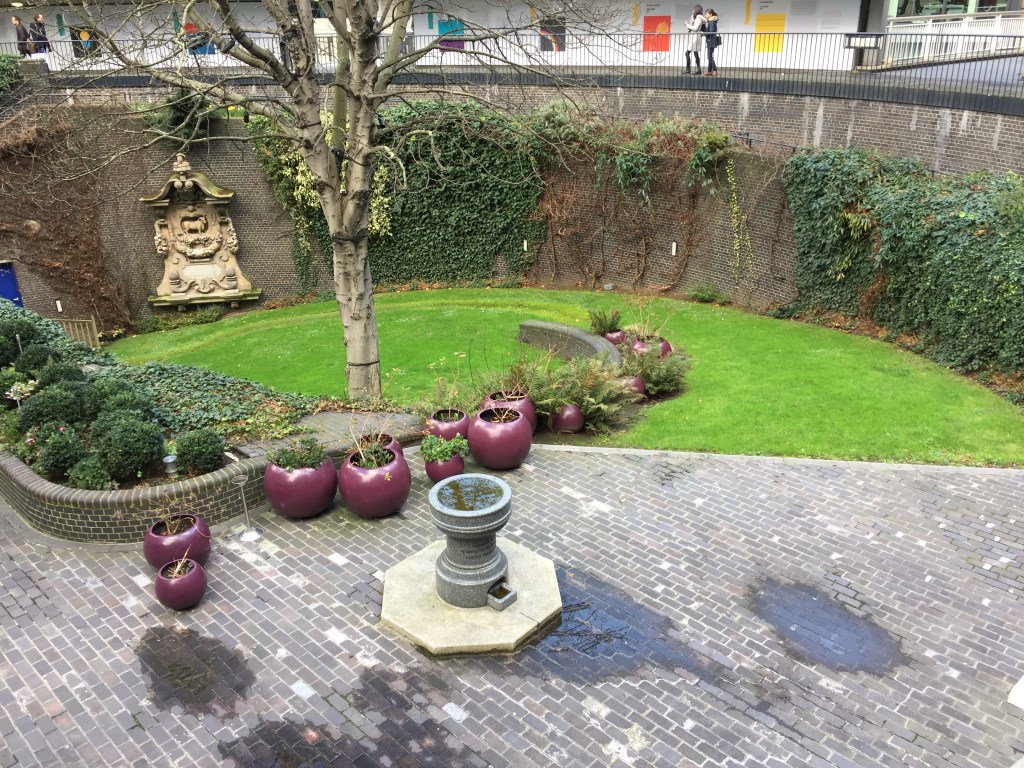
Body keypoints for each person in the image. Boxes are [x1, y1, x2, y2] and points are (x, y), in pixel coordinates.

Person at [684, 5, 705, 76]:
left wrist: (687, 25)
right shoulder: (697, 17)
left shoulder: (698, 18)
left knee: (687, 53)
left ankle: (688, 70)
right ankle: (698, 70)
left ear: (696, 10)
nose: (692, 11)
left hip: (695, 38)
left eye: (693, 9)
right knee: (695, 54)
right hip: (695, 37)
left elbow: (695, 28)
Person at [704, 8, 720, 76]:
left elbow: (711, 31)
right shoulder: (711, 21)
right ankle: (710, 71)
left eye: (706, 14)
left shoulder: (712, 22)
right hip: (711, 40)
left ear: (710, 14)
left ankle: (715, 70)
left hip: (711, 41)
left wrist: (704, 33)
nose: (705, 15)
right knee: (710, 56)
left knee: (709, 56)